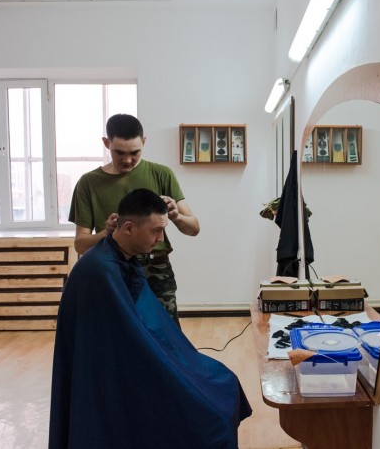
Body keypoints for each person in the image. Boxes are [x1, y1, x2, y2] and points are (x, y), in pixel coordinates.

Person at [49, 189, 251, 448]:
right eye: (156, 231)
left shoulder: (122, 258)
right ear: (129, 228)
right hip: (111, 373)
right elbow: (132, 345)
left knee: (222, 382)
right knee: (209, 413)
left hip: (126, 359)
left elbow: (144, 329)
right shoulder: (101, 270)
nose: (160, 238)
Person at [68, 113, 199, 325]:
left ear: (144, 142)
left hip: (156, 269)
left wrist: (175, 216)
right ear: (106, 143)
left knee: (165, 335)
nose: (127, 160)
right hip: (112, 269)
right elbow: (80, 245)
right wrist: (107, 233)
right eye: (119, 152)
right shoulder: (88, 183)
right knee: (117, 334)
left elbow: (193, 228)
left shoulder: (161, 174)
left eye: (135, 152)